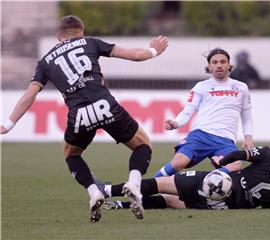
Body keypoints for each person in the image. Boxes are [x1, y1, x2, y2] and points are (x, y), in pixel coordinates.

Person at [0, 15, 168, 222]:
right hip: (105, 105)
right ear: (82, 31)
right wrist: (153, 51)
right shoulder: (91, 42)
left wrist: (8, 124)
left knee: (72, 154)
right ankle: (133, 182)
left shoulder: (45, 61)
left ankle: (93, 191)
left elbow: (30, 93)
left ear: (58, 36)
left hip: (79, 114)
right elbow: (133, 56)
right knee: (143, 144)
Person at [102, 130, 270, 210]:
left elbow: (239, 155)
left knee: (161, 184)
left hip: (220, 183)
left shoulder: (268, 153)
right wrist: (265, 204)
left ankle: (105, 192)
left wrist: (222, 162)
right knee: (172, 201)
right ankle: (120, 205)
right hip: (230, 206)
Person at [153, 48, 254, 178]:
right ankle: (145, 189)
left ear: (229, 65)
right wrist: (176, 123)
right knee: (179, 162)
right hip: (201, 135)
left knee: (235, 165)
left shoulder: (241, 87)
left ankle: (208, 184)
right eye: (215, 62)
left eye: (223, 62)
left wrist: (248, 136)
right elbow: (188, 110)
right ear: (209, 66)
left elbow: (246, 114)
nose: (219, 65)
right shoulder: (201, 86)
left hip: (226, 140)